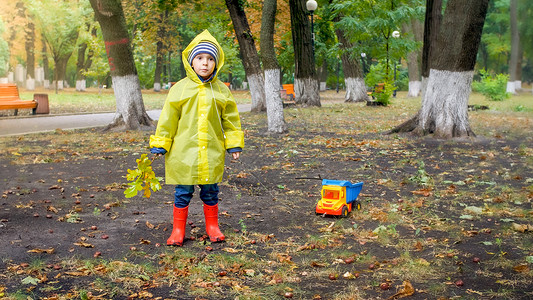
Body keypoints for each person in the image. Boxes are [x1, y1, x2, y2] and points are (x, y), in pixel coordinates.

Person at [149, 30, 244, 246]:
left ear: (216, 63)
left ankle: (212, 226)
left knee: (210, 190)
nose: (205, 63)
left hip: (211, 150)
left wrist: (234, 143)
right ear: (191, 61)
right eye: (200, 58)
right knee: (183, 191)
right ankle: (178, 230)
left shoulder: (221, 91)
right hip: (183, 151)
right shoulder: (179, 90)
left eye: (210, 59)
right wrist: (160, 144)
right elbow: (168, 119)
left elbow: (230, 119)